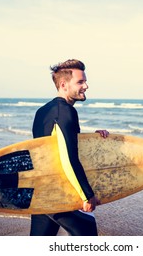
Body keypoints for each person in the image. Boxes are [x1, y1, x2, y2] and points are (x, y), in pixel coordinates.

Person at [30, 59, 109, 236]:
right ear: (64, 84)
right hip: (56, 194)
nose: (86, 86)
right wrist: (86, 194)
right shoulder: (66, 111)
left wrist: (91, 139)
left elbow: (52, 147)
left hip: (41, 191)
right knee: (87, 228)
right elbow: (68, 157)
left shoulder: (43, 111)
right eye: (80, 82)